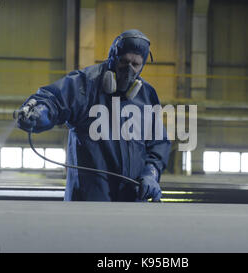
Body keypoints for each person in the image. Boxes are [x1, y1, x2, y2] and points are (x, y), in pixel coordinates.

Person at [16, 29, 171, 202]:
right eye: (124, 61)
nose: (128, 70)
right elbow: (54, 99)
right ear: (112, 57)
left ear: (142, 66)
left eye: (135, 65)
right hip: (87, 202)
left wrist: (151, 172)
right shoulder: (85, 85)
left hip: (131, 200)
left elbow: (158, 142)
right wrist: (41, 111)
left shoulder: (146, 95)